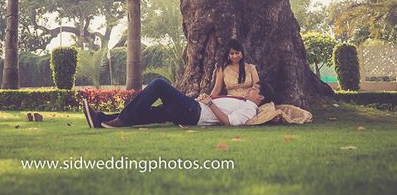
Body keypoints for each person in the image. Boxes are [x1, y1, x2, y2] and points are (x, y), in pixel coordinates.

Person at [81, 76, 270, 129]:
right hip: (194, 108)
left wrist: (210, 103)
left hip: (194, 112)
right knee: (151, 113)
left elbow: (230, 123)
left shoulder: (249, 109)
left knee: (159, 84)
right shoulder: (243, 102)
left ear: (260, 98)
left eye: (254, 90)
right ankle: (100, 119)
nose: (250, 90)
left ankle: (122, 119)